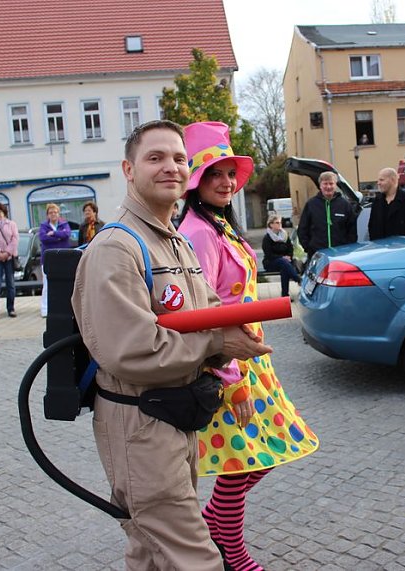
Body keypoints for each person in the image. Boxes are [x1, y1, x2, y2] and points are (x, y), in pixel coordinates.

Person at [71, 119, 272, 570]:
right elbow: (133, 350)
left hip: (173, 419)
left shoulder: (174, 241)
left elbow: (208, 308)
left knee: (150, 553)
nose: (171, 167)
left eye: (180, 158)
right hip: (141, 425)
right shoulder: (116, 248)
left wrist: (233, 333)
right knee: (195, 558)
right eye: (155, 158)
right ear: (129, 169)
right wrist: (217, 342)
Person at [179, 121, 319, 571]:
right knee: (242, 462)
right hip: (228, 364)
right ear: (195, 180)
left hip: (250, 357)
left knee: (264, 453)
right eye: (213, 173)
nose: (225, 182)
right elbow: (205, 313)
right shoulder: (198, 231)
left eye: (229, 173)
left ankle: (211, 525)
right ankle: (233, 553)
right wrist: (232, 379)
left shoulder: (218, 223)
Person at [296, 171, 357, 261]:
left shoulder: (345, 205)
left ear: (335, 185)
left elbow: (352, 230)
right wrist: (309, 248)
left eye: (331, 183)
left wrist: (347, 248)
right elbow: (302, 229)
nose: (328, 187)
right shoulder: (311, 204)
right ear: (320, 185)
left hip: (340, 255)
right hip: (317, 255)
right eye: (325, 184)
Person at [367, 167, 405, 240]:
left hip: (402, 246)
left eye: (382, 180)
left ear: (393, 180)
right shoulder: (377, 201)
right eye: (378, 180)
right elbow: (371, 225)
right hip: (380, 245)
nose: (378, 183)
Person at [37, 203, 72, 317]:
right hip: (48, 259)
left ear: (59, 213)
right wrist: (58, 238)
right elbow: (43, 238)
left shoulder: (64, 224)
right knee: (47, 285)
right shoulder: (43, 226)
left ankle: (65, 307)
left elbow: (67, 234)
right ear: (47, 215)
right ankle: (45, 309)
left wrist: (54, 234)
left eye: (55, 212)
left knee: (64, 284)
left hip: (63, 257)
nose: (53, 214)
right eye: (51, 212)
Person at [261, 214, 302, 298]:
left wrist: (289, 256)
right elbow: (269, 255)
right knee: (283, 262)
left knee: (284, 268)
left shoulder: (285, 235)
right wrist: (282, 258)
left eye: (280, 222)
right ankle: (298, 279)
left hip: (285, 263)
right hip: (271, 262)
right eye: (277, 222)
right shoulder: (267, 238)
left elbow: (290, 248)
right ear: (271, 224)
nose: (280, 224)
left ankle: (285, 295)